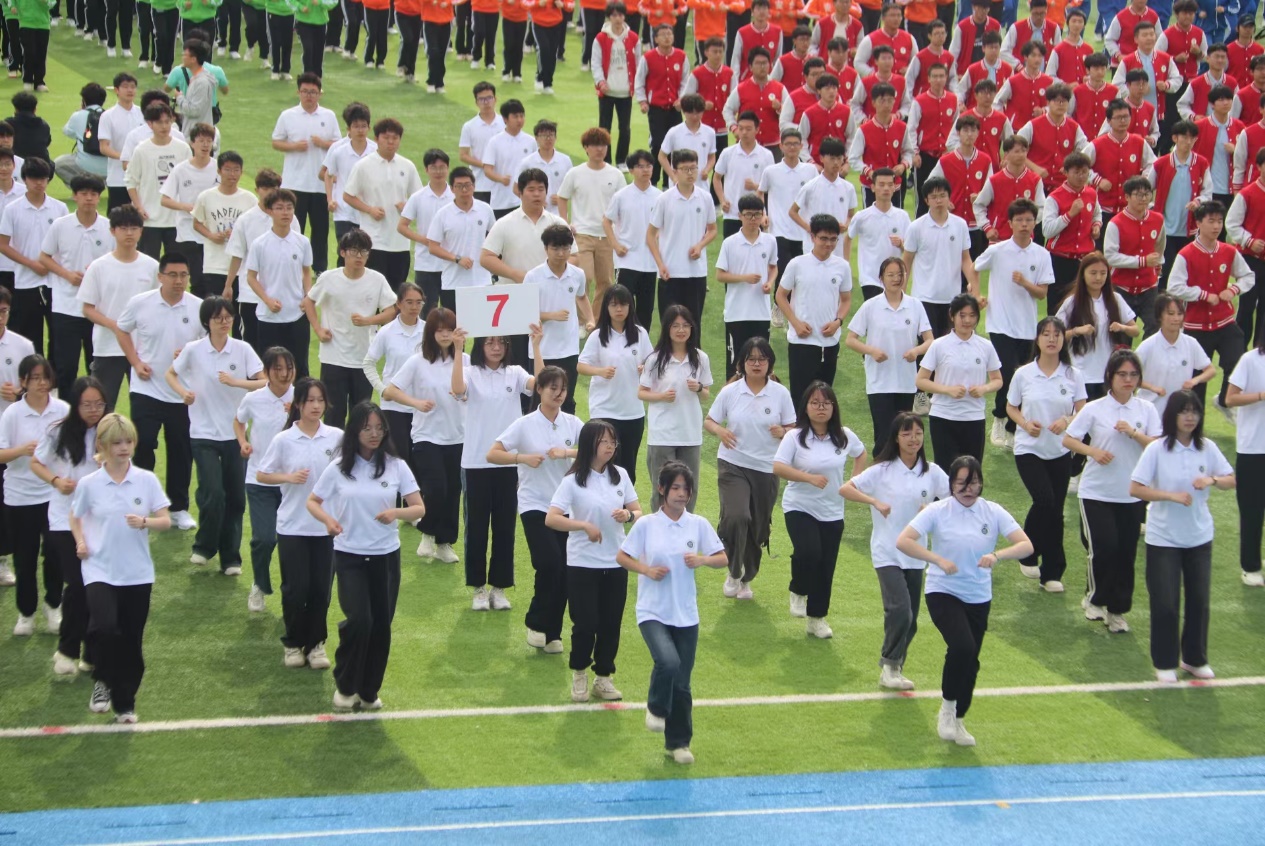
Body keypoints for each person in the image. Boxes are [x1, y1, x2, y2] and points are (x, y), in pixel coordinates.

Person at [896, 455, 1033, 747]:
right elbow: (904, 540)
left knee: (971, 661)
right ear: (951, 484)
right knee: (962, 646)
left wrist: (997, 555)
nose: (968, 489)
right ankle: (947, 708)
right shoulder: (938, 510)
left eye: (973, 483)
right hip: (943, 590)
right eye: (961, 483)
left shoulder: (993, 511)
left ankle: (958, 718)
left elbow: (1026, 545)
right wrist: (937, 559)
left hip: (978, 595)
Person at [308, 400, 424, 711]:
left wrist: (396, 513)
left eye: (379, 428)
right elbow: (313, 501)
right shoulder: (339, 468)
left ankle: (369, 690)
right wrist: (328, 521)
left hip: (386, 557)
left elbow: (419, 508)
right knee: (359, 620)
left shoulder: (396, 466)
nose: (374, 434)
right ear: (354, 432)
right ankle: (346, 685)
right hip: (350, 556)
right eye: (366, 428)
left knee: (381, 626)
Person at [617, 460, 727, 765]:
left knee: (682, 683)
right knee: (667, 661)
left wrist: (703, 560)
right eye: (675, 488)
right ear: (662, 489)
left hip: (686, 614)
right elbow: (622, 557)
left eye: (686, 489)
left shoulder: (697, 524)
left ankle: (678, 743)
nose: (681, 494)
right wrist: (646, 570)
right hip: (652, 611)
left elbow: (723, 558)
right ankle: (656, 708)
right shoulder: (646, 525)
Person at [69, 412, 172, 723]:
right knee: (104, 627)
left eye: (128, 441)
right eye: (117, 443)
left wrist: (145, 522)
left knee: (131, 640)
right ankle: (102, 680)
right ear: (102, 445)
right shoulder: (89, 484)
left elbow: (165, 520)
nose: (124, 448)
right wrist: (80, 541)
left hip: (137, 573)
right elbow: (75, 515)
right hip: (99, 569)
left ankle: (125, 703)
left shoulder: (146, 480)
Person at [1129, 390, 1235, 681]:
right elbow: (1136, 488)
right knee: (1165, 603)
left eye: (1194, 411)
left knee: (1199, 601)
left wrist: (1212, 479)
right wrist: (1170, 496)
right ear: (1172, 415)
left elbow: (1230, 479)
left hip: (1199, 537)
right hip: (1163, 538)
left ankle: (1194, 659)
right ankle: (1165, 663)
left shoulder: (1207, 448)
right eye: (1184, 411)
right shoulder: (1156, 449)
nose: (1190, 417)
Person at [843, 412, 950, 691]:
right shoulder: (882, 470)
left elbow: (955, 499)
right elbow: (846, 489)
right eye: (907, 434)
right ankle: (890, 666)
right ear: (896, 438)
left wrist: (932, 508)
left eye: (918, 433)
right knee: (900, 610)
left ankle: (896, 666)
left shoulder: (932, 471)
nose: (913, 439)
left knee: (911, 620)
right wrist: (874, 502)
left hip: (916, 555)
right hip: (887, 552)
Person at [1062, 349, 1162, 633]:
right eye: (1122, 374)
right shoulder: (1095, 408)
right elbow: (1069, 439)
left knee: (1126, 553)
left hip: (1131, 494)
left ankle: (1117, 611)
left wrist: (1134, 433)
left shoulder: (1146, 409)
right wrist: (1093, 451)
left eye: (1133, 375)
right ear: (1110, 376)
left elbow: (1157, 446)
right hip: (1096, 493)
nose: (1128, 380)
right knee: (1104, 547)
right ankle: (1095, 599)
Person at [486, 366, 583, 654]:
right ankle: (535, 622)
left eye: (563, 389)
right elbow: (493, 453)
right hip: (534, 505)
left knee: (565, 570)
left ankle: (552, 632)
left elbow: (597, 450)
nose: (559, 394)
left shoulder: (573, 423)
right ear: (539, 389)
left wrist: (566, 453)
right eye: (553, 388)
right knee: (549, 562)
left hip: (566, 507)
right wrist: (522, 458)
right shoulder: (524, 424)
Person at [167, 296, 265, 574]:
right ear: (207, 322)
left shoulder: (242, 349)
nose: (224, 322)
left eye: (228, 317)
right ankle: (204, 546)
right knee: (212, 492)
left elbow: (264, 381)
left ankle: (230, 557)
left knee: (235, 498)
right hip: (203, 433)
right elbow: (171, 374)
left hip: (235, 434)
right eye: (218, 318)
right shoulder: (194, 349)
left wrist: (236, 382)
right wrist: (183, 392)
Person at [547, 419, 641, 702]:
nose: (610, 447)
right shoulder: (572, 481)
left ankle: (604, 677)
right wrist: (583, 526)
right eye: (604, 442)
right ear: (590, 444)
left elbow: (638, 511)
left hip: (616, 561)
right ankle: (579, 673)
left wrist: (629, 515)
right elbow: (552, 518)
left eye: (613, 442)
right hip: (582, 563)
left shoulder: (620, 475)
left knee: (611, 623)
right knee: (585, 623)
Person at [452, 324, 542, 610]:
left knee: (505, 528)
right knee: (476, 528)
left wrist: (536, 346)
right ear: (481, 345)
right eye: (490, 342)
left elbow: (541, 385)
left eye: (501, 343)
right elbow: (457, 390)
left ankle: (499, 588)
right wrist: (458, 350)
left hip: (508, 462)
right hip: (476, 462)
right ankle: (478, 588)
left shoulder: (515, 373)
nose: (496, 348)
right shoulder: (470, 372)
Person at [256, 376, 341, 668]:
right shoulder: (284, 440)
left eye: (320, 400)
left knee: (320, 589)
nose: (316, 406)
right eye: (310, 401)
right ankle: (293, 644)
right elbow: (262, 474)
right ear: (298, 405)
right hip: (293, 526)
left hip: (326, 527)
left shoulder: (336, 437)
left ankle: (316, 644)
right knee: (295, 588)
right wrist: (288, 478)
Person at [116, 252, 204, 534]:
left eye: (183, 275)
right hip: (146, 388)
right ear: (160, 277)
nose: (179, 281)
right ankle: (142, 504)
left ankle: (178, 508)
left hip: (182, 392)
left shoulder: (198, 307)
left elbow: (209, 344)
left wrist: (189, 354)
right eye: (173, 275)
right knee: (142, 444)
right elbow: (122, 330)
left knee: (181, 449)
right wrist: (135, 362)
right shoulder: (140, 303)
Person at [772, 381, 866, 638]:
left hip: (833, 510)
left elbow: (860, 454)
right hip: (799, 506)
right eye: (815, 403)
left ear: (833, 407)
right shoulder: (794, 436)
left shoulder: (844, 436)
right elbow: (778, 467)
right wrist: (809, 478)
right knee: (809, 551)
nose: (821, 408)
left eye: (826, 403)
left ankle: (817, 619)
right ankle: (798, 589)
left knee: (826, 566)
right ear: (806, 407)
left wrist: (853, 482)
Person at [704, 336, 795, 601]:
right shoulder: (731, 391)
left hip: (767, 468)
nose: (756, 364)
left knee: (758, 528)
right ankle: (733, 571)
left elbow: (794, 427)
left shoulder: (780, 393)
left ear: (770, 363)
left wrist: (784, 431)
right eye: (751, 359)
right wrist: (720, 431)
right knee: (737, 516)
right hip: (733, 464)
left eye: (762, 359)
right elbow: (709, 421)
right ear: (742, 363)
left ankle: (746, 579)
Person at [30, 376, 106, 674]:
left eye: (99, 404)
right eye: (87, 405)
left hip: (99, 520)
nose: (93, 410)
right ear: (75, 405)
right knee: (77, 583)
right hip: (65, 519)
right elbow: (36, 462)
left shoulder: (110, 429)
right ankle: (66, 650)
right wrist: (56, 481)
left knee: (97, 587)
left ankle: (91, 653)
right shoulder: (58, 431)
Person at [1005, 316, 1086, 592]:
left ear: (1063, 339)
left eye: (1057, 334)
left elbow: (1082, 409)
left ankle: (1052, 573)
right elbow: (1011, 407)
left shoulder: (1073, 375)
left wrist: (1067, 420)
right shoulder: (1023, 374)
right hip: (1029, 448)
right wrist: (1025, 424)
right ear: (1037, 339)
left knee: (1056, 512)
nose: (1052, 339)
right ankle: (1027, 550)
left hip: (1060, 450)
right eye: (1046, 334)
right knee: (1044, 499)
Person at [383, 307, 467, 564]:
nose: (445, 335)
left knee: (453, 491)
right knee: (436, 488)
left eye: (449, 330)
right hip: (426, 436)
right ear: (430, 333)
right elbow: (390, 391)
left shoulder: (465, 360)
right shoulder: (417, 361)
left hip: (458, 436)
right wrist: (415, 403)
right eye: (439, 330)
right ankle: (427, 532)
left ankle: (444, 543)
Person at [974, 198, 1052, 449]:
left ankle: (1012, 426)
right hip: (999, 324)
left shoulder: (1042, 254)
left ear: (1035, 222)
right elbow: (974, 267)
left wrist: (1025, 283)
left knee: (1022, 377)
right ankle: (999, 418)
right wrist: (976, 294)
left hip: (1027, 327)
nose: (1024, 224)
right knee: (1006, 373)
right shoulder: (998, 251)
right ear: (1010, 223)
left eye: (1029, 220)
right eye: (1019, 220)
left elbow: (1042, 293)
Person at [0, 354, 68, 636]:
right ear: (23, 382)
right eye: (35, 378)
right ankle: (26, 613)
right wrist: (22, 451)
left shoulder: (63, 410)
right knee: (24, 559)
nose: (42, 383)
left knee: (55, 553)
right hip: (20, 496)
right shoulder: (12, 414)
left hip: (54, 494)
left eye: (45, 377)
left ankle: (53, 606)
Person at [1168, 200, 1256, 418]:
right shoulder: (1186, 254)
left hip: (1225, 321)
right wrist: (1203, 295)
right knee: (1198, 377)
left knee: (1237, 362)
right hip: (1196, 326)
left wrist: (1233, 290)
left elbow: (1248, 276)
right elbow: (1174, 287)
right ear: (1199, 223)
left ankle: (1225, 400)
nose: (1216, 226)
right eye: (1211, 221)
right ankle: (1195, 425)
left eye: (1219, 221)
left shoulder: (1228, 251)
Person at [302, 229, 397, 429]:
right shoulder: (329, 278)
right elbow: (309, 301)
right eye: (354, 251)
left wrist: (369, 320)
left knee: (361, 417)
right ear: (343, 252)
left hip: (363, 358)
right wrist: (318, 329)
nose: (359, 257)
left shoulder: (377, 279)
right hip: (333, 357)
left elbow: (391, 310)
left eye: (364, 252)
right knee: (333, 415)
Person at [846, 257, 934, 452]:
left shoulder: (915, 305)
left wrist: (916, 351)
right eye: (891, 275)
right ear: (881, 278)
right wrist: (871, 351)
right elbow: (850, 339)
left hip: (906, 381)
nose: (896, 279)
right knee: (883, 435)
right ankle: (880, 467)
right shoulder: (871, 306)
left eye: (900, 274)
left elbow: (929, 340)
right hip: (879, 382)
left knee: (904, 434)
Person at [78, 205, 161, 411]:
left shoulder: (152, 266)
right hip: (107, 348)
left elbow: (159, 305)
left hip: (144, 349)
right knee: (103, 407)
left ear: (141, 231)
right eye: (123, 228)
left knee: (145, 409)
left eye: (134, 228)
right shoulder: (99, 267)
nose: (129, 233)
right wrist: (116, 326)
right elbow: (87, 308)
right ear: (113, 231)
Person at [233, 346, 296, 613]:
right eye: (277, 369)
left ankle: (292, 592)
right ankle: (259, 584)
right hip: (259, 480)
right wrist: (243, 441)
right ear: (267, 372)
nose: (284, 374)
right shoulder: (253, 399)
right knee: (264, 538)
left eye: (289, 368)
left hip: (293, 483)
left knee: (293, 542)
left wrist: (297, 413)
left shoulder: (302, 398)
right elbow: (239, 421)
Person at [39, 175, 112, 395]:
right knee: (66, 367)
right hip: (65, 307)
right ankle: (66, 412)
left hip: (97, 309)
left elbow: (115, 261)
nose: (89, 198)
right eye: (83, 194)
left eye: (93, 194)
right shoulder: (61, 225)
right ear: (74, 196)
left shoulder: (108, 227)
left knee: (96, 367)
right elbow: (44, 257)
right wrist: (67, 275)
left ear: (99, 197)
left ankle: (96, 411)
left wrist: (96, 274)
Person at [916, 293, 1003, 471]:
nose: (967, 320)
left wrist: (984, 388)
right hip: (943, 417)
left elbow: (998, 380)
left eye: (972, 315)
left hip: (974, 417)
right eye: (962, 315)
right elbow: (921, 380)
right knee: (945, 471)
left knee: (972, 472)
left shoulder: (985, 346)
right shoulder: (939, 345)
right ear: (952, 315)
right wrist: (947, 390)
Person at [639, 305, 712, 511]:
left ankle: (685, 527)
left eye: (686, 325)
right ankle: (659, 527)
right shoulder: (655, 359)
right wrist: (661, 396)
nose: (681, 330)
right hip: (662, 434)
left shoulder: (700, 358)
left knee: (689, 489)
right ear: (667, 329)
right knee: (662, 489)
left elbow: (706, 394)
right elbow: (642, 392)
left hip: (690, 433)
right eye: (676, 326)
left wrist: (699, 388)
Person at [579, 284, 652, 480]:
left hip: (632, 412)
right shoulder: (598, 336)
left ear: (630, 306)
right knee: (603, 465)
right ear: (607, 307)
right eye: (613, 305)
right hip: (604, 410)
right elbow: (581, 365)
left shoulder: (640, 334)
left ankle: (625, 500)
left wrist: (644, 368)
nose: (619, 309)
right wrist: (600, 371)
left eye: (623, 304)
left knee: (628, 468)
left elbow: (652, 362)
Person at [341, 119, 423, 289]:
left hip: (400, 242)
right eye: (386, 138)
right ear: (376, 139)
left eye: (395, 138)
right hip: (374, 240)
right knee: (373, 290)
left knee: (396, 291)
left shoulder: (407, 166)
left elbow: (419, 198)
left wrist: (407, 207)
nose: (390, 142)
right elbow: (348, 195)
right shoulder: (363, 166)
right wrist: (369, 209)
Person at [270, 75, 339, 275]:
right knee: (293, 227)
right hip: (294, 183)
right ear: (298, 92)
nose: (309, 96)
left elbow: (339, 144)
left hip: (320, 184)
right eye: (305, 91)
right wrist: (293, 146)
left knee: (320, 230)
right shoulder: (288, 115)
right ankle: (292, 265)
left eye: (313, 92)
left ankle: (319, 269)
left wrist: (323, 144)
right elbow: (276, 142)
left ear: (320, 94)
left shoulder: (329, 116)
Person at [523, 224, 596, 413]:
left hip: (569, 349)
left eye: (565, 248)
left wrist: (590, 319)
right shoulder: (533, 277)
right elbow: (524, 313)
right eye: (555, 248)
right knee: (540, 398)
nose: (561, 253)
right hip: (541, 349)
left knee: (566, 398)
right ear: (546, 248)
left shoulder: (577, 274)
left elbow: (581, 297)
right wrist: (551, 316)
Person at [0, 157, 67, 359]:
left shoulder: (59, 208)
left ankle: (54, 375)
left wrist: (51, 266)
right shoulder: (13, 209)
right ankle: (33, 374)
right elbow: (3, 244)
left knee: (58, 335)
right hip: (25, 281)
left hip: (55, 281)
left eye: (43, 178)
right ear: (25, 179)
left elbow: (65, 243)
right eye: (34, 178)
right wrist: (31, 264)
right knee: (29, 337)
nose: (39, 183)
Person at [902, 175, 982, 343]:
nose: (938, 200)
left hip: (952, 298)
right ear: (926, 200)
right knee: (926, 347)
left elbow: (965, 259)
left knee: (950, 346)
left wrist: (975, 289)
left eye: (942, 195)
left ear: (949, 197)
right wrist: (901, 294)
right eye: (933, 197)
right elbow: (906, 262)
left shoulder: (960, 225)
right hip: (924, 298)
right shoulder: (916, 227)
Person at [226, 169, 298, 352]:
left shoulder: (290, 218)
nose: (270, 193)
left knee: (281, 349)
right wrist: (228, 285)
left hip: (281, 296)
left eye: (274, 188)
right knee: (251, 346)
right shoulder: (246, 220)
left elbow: (297, 254)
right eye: (266, 188)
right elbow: (237, 255)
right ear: (257, 190)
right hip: (251, 295)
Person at [245, 189, 314, 377]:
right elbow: (251, 277)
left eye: (289, 208)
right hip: (269, 317)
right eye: (280, 208)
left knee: (299, 367)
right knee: (271, 369)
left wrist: (307, 295)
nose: (285, 212)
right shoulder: (260, 244)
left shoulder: (302, 242)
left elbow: (306, 272)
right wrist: (267, 300)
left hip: (297, 314)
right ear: (270, 211)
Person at [1056, 252, 1139, 403]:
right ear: (1083, 275)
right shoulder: (1072, 302)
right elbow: (1056, 334)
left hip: (1107, 372)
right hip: (1080, 372)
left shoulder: (1115, 299)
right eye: (1093, 273)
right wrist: (1076, 331)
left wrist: (1121, 327)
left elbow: (1135, 330)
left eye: (1103, 273)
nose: (1098, 278)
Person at [646, 149, 716, 327]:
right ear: (675, 171)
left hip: (696, 273)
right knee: (669, 325)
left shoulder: (705, 198)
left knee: (693, 325)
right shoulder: (664, 199)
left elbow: (713, 230)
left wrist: (700, 245)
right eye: (685, 169)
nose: (690, 173)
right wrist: (660, 265)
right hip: (670, 273)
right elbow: (650, 235)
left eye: (693, 168)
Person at [558, 128, 626, 305]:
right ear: (586, 148)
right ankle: (582, 318)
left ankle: (596, 319)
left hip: (607, 236)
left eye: (603, 145)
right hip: (582, 234)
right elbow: (562, 197)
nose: (600, 149)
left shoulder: (616, 175)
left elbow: (623, 204)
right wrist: (565, 222)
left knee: (606, 282)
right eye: (595, 145)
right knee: (585, 277)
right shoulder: (575, 173)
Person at [362, 282, 425, 464]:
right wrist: (382, 390)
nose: (414, 307)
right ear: (398, 303)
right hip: (394, 407)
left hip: (422, 406)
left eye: (419, 302)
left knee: (421, 459)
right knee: (398, 459)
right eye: (409, 302)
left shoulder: (428, 331)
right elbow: (368, 363)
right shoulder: (387, 332)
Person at [715, 193, 776, 377]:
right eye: (748, 214)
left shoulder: (770, 241)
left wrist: (770, 282)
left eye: (757, 214)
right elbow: (720, 275)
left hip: (761, 313)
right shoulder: (730, 243)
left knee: (761, 362)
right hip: (737, 313)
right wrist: (744, 278)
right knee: (736, 364)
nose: (753, 219)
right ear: (740, 215)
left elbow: (773, 267)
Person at [124, 103, 192, 262]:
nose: (164, 126)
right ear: (150, 124)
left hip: (176, 220)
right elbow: (130, 181)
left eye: (167, 122)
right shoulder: (142, 150)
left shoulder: (182, 148)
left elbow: (189, 180)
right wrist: (139, 207)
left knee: (177, 264)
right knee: (148, 263)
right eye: (159, 122)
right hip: (150, 219)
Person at [158, 124, 218, 298]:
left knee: (212, 279)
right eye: (201, 140)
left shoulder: (218, 168)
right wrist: (186, 207)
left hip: (212, 232)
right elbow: (165, 199)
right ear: (192, 143)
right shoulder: (181, 170)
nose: (205, 145)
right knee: (198, 279)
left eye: (209, 141)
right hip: (188, 232)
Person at [604, 149, 662, 329]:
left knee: (646, 310)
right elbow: (606, 221)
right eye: (640, 166)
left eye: (649, 166)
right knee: (622, 307)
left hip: (650, 263)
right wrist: (615, 245)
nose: (645, 170)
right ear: (631, 170)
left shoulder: (660, 197)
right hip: (626, 261)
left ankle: (642, 343)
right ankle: (621, 339)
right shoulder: (621, 196)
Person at [426, 167, 495, 313]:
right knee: (454, 326)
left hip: (482, 280)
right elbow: (433, 247)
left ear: (474, 186)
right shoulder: (443, 214)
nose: (464, 190)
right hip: (453, 283)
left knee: (483, 324)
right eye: (459, 186)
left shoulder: (485, 209)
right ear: (452, 189)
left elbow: (494, 237)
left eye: (467, 185)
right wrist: (457, 259)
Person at [1137, 293, 1217, 417]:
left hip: (1179, 412)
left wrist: (1194, 381)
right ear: (1159, 316)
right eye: (1170, 314)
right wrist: (1153, 388)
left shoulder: (1190, 343)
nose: (1176, 318)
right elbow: (1131, 376)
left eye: (1179, 314)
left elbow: (1210, 370)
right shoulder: (1147, 346)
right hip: (1151, 411)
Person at [191, 151, 256, 301]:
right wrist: (212, 236)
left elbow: (255, 228)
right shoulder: (206, 197)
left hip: (241, 267)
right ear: (219, 171)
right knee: (216, 308)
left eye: (236, 170)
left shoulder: (250, 199)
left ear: (241, 172)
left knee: (238, 310)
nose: (232, 174)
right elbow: (196, 223)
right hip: (214, 264)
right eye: (227, 169)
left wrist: (238, 235)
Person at [1228, 330, 1265, 587]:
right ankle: (1250, 567)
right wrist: (1261, 395)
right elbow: (1230, 398)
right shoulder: (1250, 360)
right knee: (1252, 510)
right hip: (1254, 447)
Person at [396, 149, 453, 317]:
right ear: (426, 170)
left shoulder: (455, 196)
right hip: (426, 264)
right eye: (434, 167)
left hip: (452, 264)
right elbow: (402, 226)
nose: (438, 172)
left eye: (442, 167)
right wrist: (424, 240)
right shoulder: (418, 197)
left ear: (448, 168)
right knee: (426, 312)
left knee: (454, 313)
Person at [635, 24, 690, 187]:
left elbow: (685, 81)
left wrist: (681, 99)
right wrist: (642, 101)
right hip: (656, 109)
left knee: (675, 145)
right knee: (658, 145)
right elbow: (639, 81)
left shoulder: (681, 56)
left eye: (669, 34)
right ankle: (653, 181)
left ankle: (669, 182)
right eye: (663, 34)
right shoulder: (648, 58)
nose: (667, 37)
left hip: (674, 109)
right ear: (656, 39)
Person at [788, 137, 857, 262]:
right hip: (813, 247)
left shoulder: (848, 188)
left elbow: (851, 214)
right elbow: (793, 212)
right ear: (821, 158)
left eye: (839, 158)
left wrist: (846, 225)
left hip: (837, 247)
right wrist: (810, 228)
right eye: (832, 158)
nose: (836, 163)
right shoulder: (810, 186)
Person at [845, 169, 909, 302]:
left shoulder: (902, 216)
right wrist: (846, 267)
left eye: (890, 184)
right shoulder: (862, 217)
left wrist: (901, 244)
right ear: (873, 187)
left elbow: (909, 249)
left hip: (894, 278)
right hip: (870, 279)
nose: (886, 188)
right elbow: (848, 238)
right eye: (881, 184)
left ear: (895, 187)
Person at [320, 103, 376, 248]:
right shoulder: (338, 151)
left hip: (368, 212)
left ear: (369, 128)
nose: (360, 130)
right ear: (349, 129)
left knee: (366, 252)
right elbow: (327, 174)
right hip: (343, 212)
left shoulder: (375, 151)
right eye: (356, 126)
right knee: (346, 251)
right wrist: (330, 199)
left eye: (363, 126)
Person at [482, 100, 537, 220]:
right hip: (501, 201)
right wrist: (500, 179)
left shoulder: (531, 141)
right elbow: (487, 170)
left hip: (525, 200)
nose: (519, 120)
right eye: (515, 116)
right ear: (505, 119)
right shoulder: (495, 142)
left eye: (522, 116)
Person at [98, 74, 144, 212]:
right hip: (118, 177)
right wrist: (126, 158)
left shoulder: (143, 114)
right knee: (118, 216)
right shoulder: (108, 116)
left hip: (142, 177)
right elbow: (104, 147)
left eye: (133, 87)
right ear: (116, 90)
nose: (130, 90)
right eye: (125, 87)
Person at [458, 82, 506, 204]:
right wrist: (485, 165)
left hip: (503, 184)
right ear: (476, 102)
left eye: (489, 98)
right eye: (482, 99)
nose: (486, 102)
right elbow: (463, 155)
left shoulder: (505, 123)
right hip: (480, 184)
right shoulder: (469, 126)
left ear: (495, 99)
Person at [56, 83, 109, 185]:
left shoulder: (78, 115)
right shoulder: (111, 116)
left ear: (83, 101)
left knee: (58, 163)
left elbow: (67, 132)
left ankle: (81, 188)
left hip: (85, 166)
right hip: (110, 168)